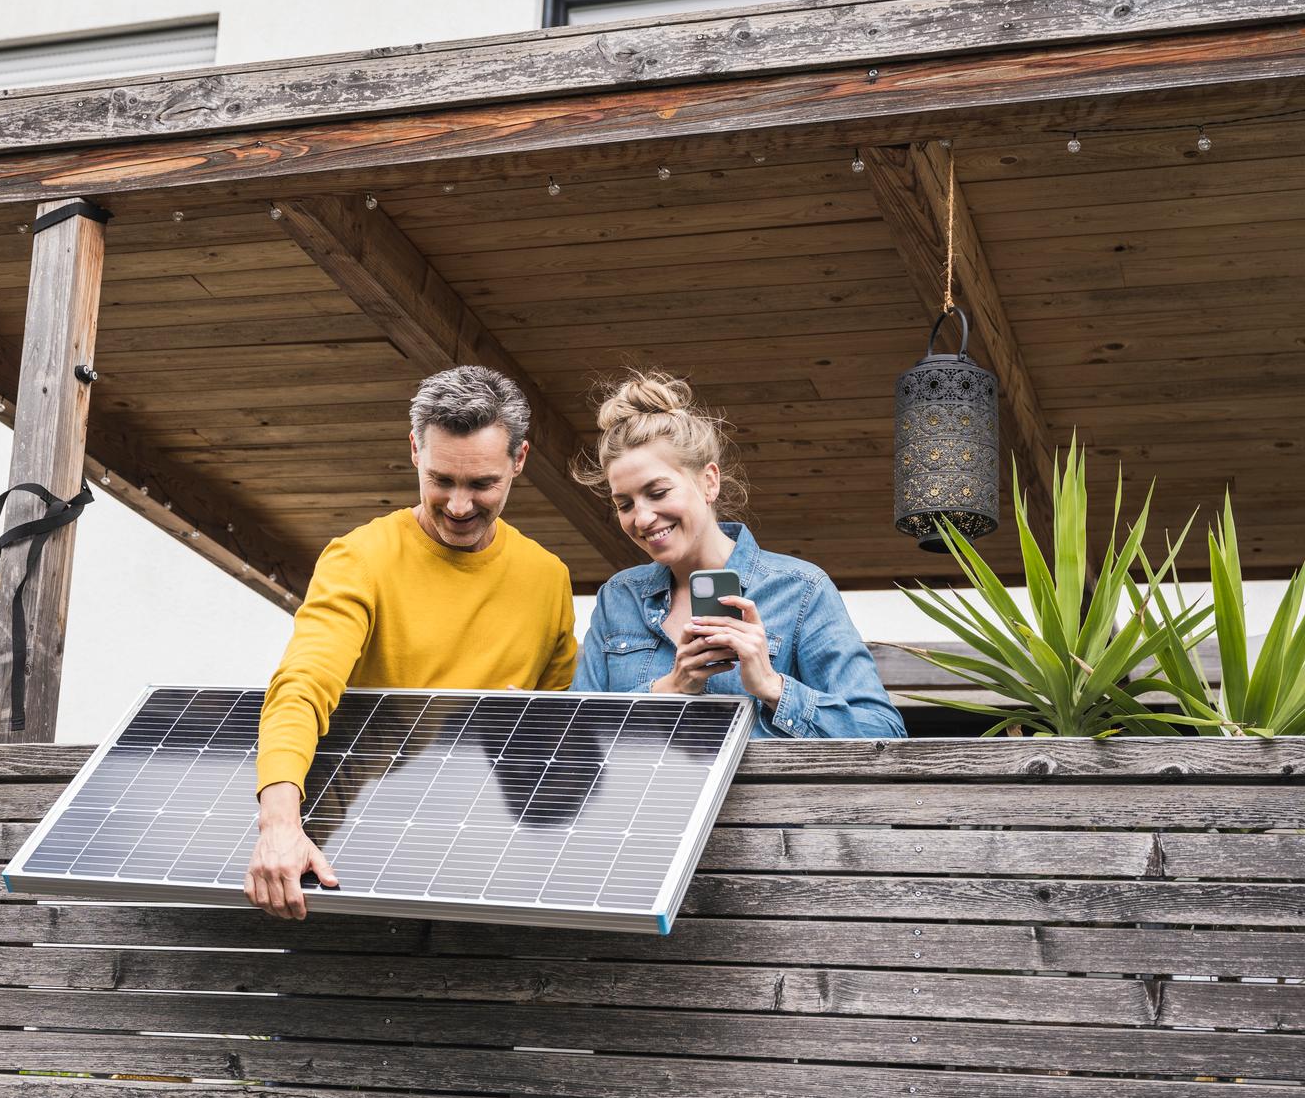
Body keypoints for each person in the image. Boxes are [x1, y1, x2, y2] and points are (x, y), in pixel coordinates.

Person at [246, 365, 578, 919]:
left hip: (485, 856)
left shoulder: (547, 579)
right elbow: (302, 685)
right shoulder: (359, 559)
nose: (458, 505)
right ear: (415, 451)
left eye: (482, 484)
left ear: (519, 461)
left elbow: (555, 724)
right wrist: (280, 823)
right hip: (351, 847)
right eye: (441, 479)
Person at [572, 372, 904, 739]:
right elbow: (578, 736)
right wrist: (669, 689)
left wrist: (772, 686)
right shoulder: (619, 597)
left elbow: (883, 735)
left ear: (708, 482)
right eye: (625, 504)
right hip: (644, 798)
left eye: (659, 492)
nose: (643, 517)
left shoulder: (801, 590)